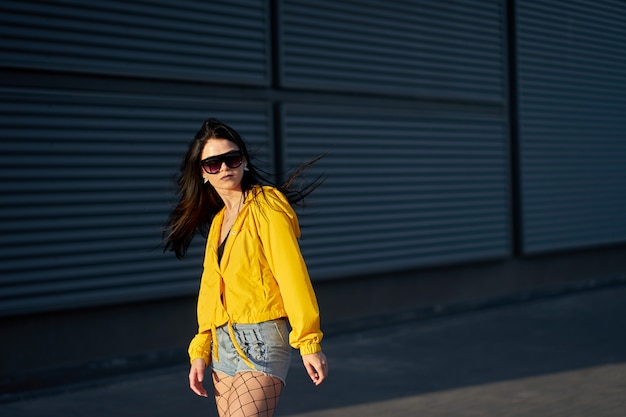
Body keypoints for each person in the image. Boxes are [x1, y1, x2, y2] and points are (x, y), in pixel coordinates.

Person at [164, 118, 328, 417]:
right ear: (202, 173)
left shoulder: (266, 204)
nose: (225, 168)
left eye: (232, 158)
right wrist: (200, 349)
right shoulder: (218, 223)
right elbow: (210, 291)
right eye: (214, 163)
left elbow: (291, 274)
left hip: (262, 339)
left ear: (245, 162)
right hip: (222, 345)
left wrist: (308, 341)